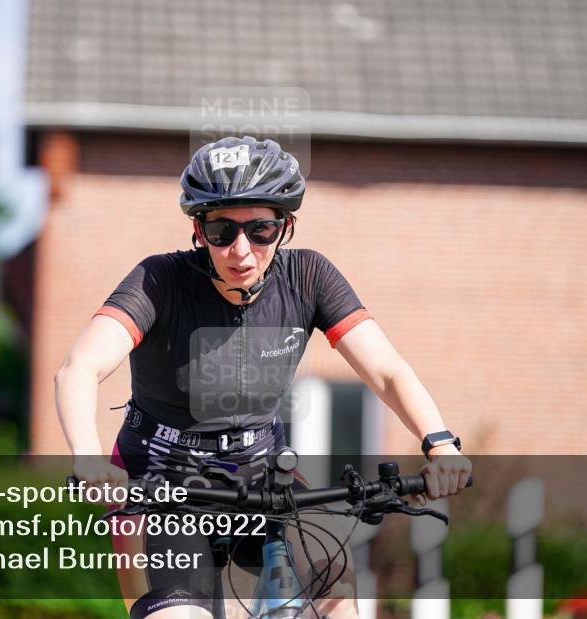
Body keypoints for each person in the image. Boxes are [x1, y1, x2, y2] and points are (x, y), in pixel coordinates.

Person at [57, 136, 472, 619]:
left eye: (261, 229)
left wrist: (439, 443)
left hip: (261, 471)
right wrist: (86, 458)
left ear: (286, 226)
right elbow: (79, 369)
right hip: (159, 480)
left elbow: (386, 369)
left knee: (338, 592)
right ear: (198, 229)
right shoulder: (159, 281)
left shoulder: (309, 276)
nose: (240, 250)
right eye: (220, 230)